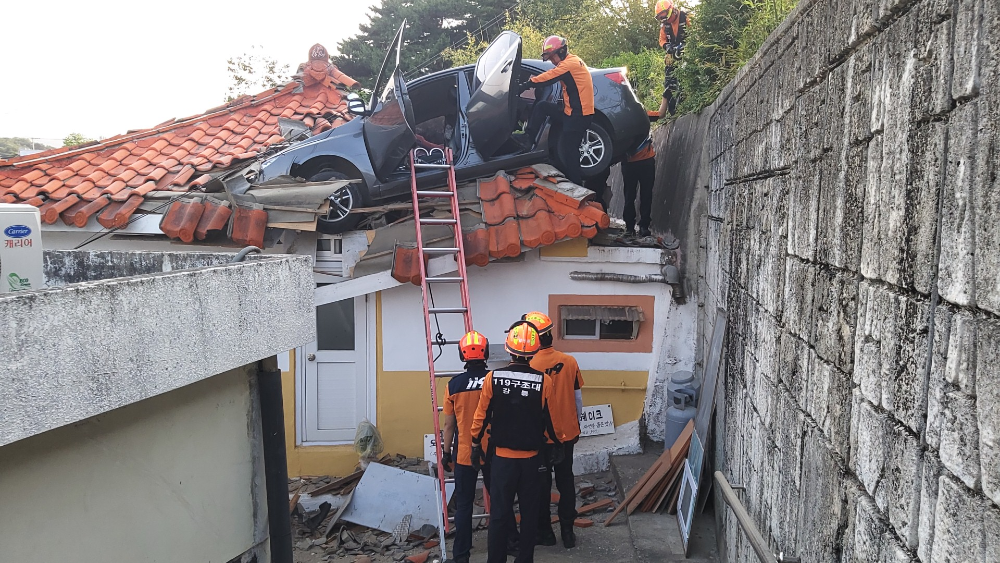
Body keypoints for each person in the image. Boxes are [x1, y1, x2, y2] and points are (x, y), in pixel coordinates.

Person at [471, 321, 557, 563]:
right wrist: (555, 446)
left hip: (501, 461)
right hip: (532, 462)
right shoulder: (544, 382)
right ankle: (524, 559)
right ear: (534, 352)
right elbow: (551, 423)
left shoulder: (492, 378)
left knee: (499, 515)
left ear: (509, 349)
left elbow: (480, 417)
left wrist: (475, 445)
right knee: (529, 515)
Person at [522, 311, 585, 549]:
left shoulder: (529, 366)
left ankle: (546, 533)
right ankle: (568, 533)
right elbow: (578, 399)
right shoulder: (569, 362)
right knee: (565, 482)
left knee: (541, 485)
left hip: (540, 439)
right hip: (566, 435)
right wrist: (575, 427)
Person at [516, 36, 595, 185]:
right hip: (571, 113)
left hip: (578, 117)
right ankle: (528, 139)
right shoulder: (572, 60)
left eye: (552, 57)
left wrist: (525, 85)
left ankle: (577, 185)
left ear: (562, 51)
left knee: (569, 151)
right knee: (542, 107)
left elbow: (549, 77)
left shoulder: (568, 65)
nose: (552, 61)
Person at [442, 330, 492, 563]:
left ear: (462, 355)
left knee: (464, 506)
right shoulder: (495, 379)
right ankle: (510, 544)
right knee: (500, 501)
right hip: (494, 452)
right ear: (486, 352)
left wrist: (445, 453)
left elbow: (449, 424)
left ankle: (461, 556)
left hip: (464, 454)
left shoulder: (453, 385)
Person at [656, 0, 689, 117]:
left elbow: (697, 33)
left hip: (689, 52)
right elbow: (662, 40)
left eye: (664, 16)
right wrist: (667, 47)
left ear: (671, 10)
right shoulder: (665, 25)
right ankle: (668, 104)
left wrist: (687, 47)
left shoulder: (685, 16)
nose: (663, 20)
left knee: (686, 74)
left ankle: (685, 99)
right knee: (669, 74)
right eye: (660, 18)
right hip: (674, 53)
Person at [622, 136, 656, 237]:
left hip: (647, 159)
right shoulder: (623, 122)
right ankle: (629, 227)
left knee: (646, 194)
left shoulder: (642, 120)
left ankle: (644, 226)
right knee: (629, 195)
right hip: (628, 161)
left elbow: (657, 118)